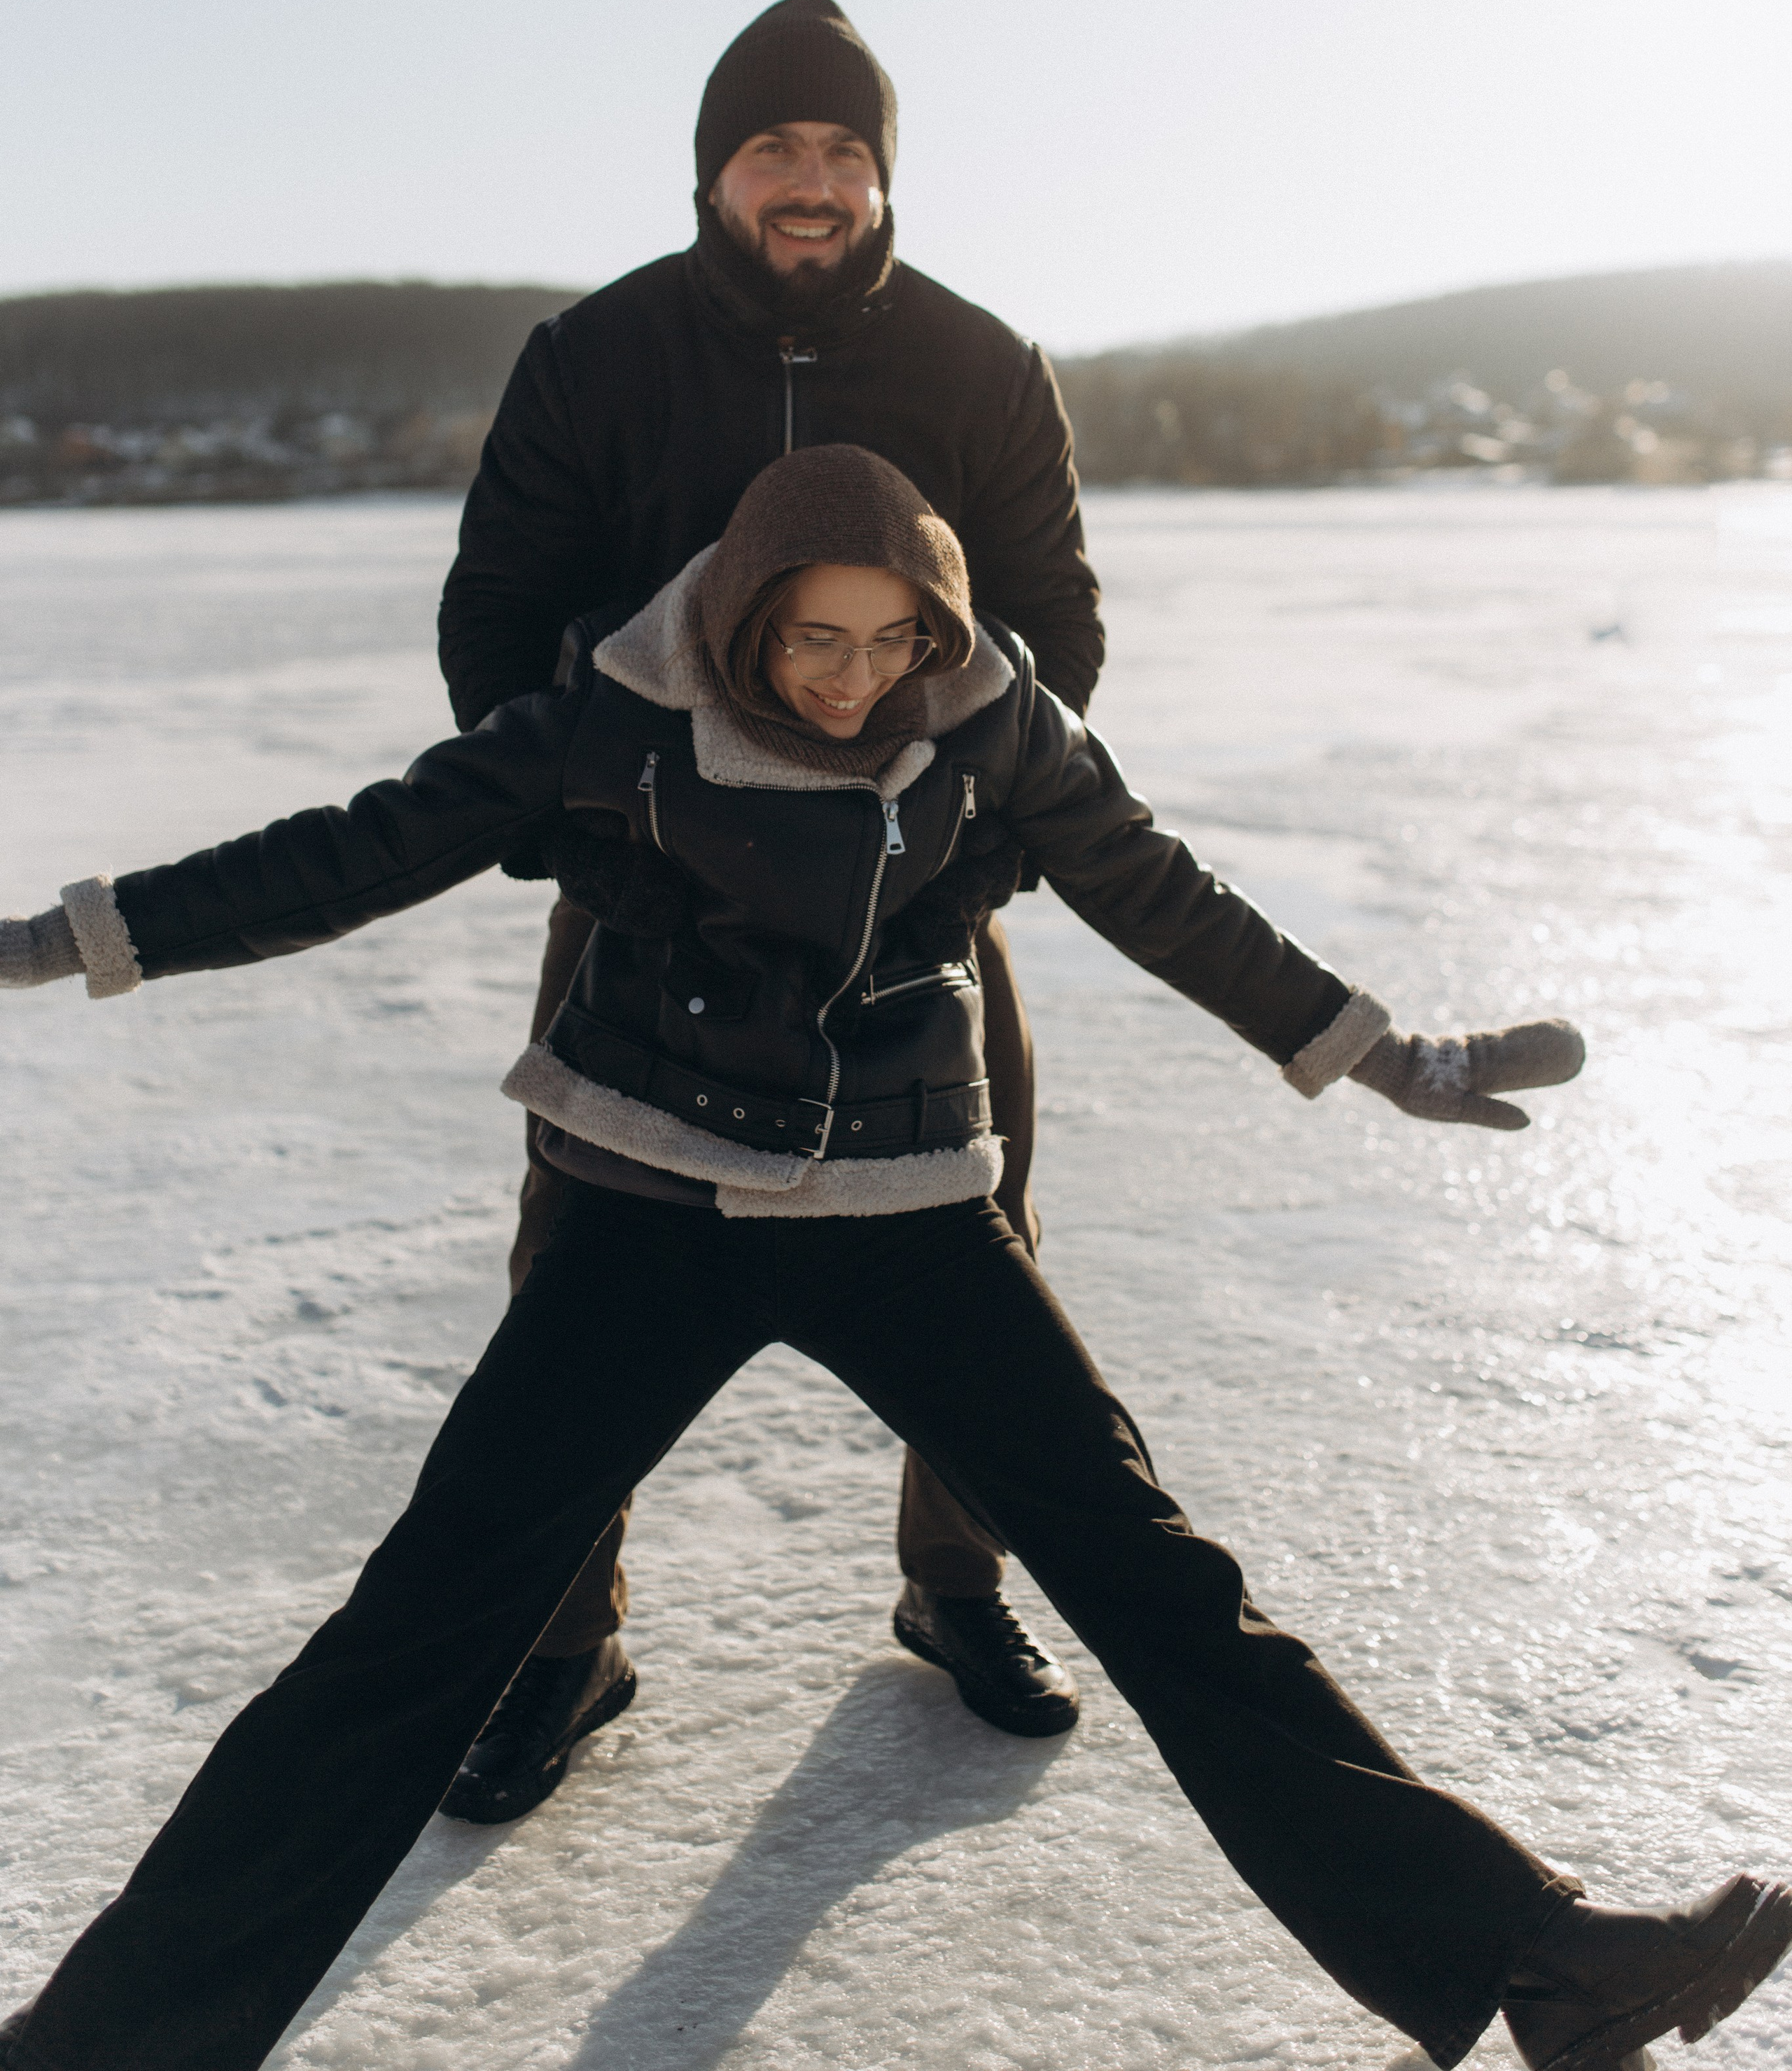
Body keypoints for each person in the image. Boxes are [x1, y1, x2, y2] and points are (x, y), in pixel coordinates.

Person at [4, 445, 1786, 2071]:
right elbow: (351, 852)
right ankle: (106, 2048)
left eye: (888, 638)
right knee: (422, 1622)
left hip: (906, 1202)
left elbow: (1157, 891)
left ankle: (1533, 1962)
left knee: (1155, 1576)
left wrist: (1388, 1057)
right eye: (810, 637)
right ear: (738, 613)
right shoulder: (606, 718)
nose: (850, 677)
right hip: (653, 1204)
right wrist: (61, 942)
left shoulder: (992, 717)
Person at [433, 0, 1106, 1812]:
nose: (809, 183)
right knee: (577, 1268)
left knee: (984, 1244)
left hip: (918, 902)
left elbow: (1057, 636)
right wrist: (598, 846)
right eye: (772, 149)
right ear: (715, 168)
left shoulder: (981, 364)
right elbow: (496, 628)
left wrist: (963, 859)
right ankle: (563, 1642)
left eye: (842, 152)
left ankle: (954, 1588)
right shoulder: (598, 359)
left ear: (882, 174)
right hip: (654, 903)